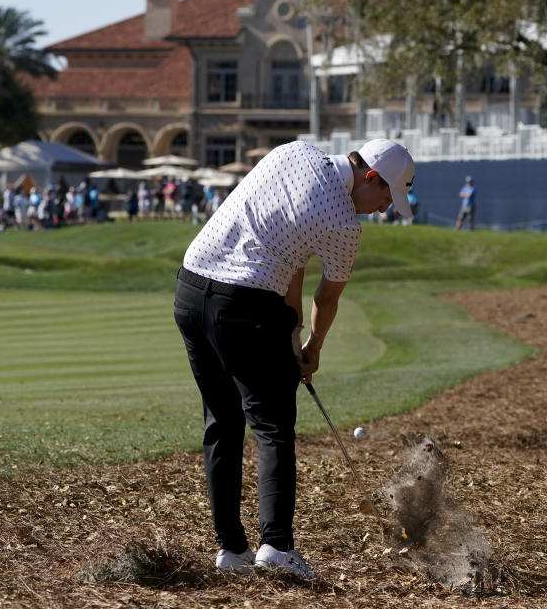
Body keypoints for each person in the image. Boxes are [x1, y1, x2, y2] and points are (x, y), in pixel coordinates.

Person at [173, 138, 415, 577]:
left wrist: (293, 331)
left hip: (191, 288)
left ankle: (231, 551)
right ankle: (277, 547)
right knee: (274, 427)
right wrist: (312, 349)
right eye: (385, 196)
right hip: (244, 301)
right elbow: (328, 293)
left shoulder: (295, 150)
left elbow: (292, 255)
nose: (383, 209)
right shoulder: (344, 223)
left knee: (223, 422)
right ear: (371, 176)